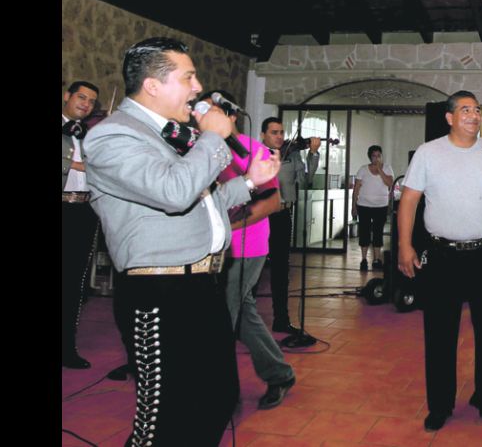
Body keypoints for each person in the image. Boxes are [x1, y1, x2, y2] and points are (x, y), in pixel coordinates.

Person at [82, 37, 281, 446]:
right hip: (158, 291)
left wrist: (249, 182)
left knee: (216, 398)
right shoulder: (113, 136)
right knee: (165, 417)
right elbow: (173, 193)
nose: (197, 87)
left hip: (201, 285)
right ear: (153, 85)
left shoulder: (171, 134)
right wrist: (211, 137)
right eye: (188, 77)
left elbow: (199, 204)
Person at [398, 90, 482, 433]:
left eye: (477, 110)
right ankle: (440, 406)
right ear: (450, 117)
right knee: (439, 335)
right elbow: (409, 201)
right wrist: (404, 246)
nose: (474, 115)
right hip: (442, 258)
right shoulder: (429, 153)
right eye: (465, 109)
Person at [202, 90, 297, 410]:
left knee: (226, 315)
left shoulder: (253, 150)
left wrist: (227, 227)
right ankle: (278, 373)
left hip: (247, 247)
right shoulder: (203, 149)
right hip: (213, 246)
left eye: (212, 111)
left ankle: (217, 391)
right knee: (241, 311)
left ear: (230, 115)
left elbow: (272, 201)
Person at [261, 117, 320, 334]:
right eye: (274, 132)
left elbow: (305, 181)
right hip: (259, 217)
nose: (279, 137)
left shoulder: (293, 155)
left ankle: (281, 319)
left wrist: (312, 154)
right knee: (253, 269)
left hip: (283, 214)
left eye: (282, 133)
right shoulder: (256, 154)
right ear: (263, 135)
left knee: (281, 269)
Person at [62, 80, 100, 369]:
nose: (85, 104)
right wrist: (77, 164)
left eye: (91, 101)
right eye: (81, 97)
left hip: (83, 211)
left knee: (75, 283)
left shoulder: (89, 135)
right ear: (67, 96)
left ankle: (66, 346)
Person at [352, 145, 394, 271]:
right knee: (364, 232)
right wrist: (353, 206)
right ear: (370, 157)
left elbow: (390, 183)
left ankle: (376, 259)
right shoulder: (363, 169)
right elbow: (356, 189)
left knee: (378, 232)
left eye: (379, 155)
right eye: (374, 156)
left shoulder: (387, 168)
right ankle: (364, 259)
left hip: (381, 206)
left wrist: (380, 170)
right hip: (364, 205)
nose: (376, 158)